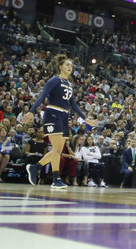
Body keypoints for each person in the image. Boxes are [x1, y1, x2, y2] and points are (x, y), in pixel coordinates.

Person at [22, 55, 87, 190]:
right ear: (60, 67)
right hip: (52, 113)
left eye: (71, 65)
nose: (70, 67)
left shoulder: (69, 84)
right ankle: (55, 179)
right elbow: (43, 95)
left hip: (64, 116)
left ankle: (35, 168)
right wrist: (31, 111)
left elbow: (73, 104)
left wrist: (85, 118)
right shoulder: (54, 80)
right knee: (57, 149)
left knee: (57, 149)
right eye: (67, 65)